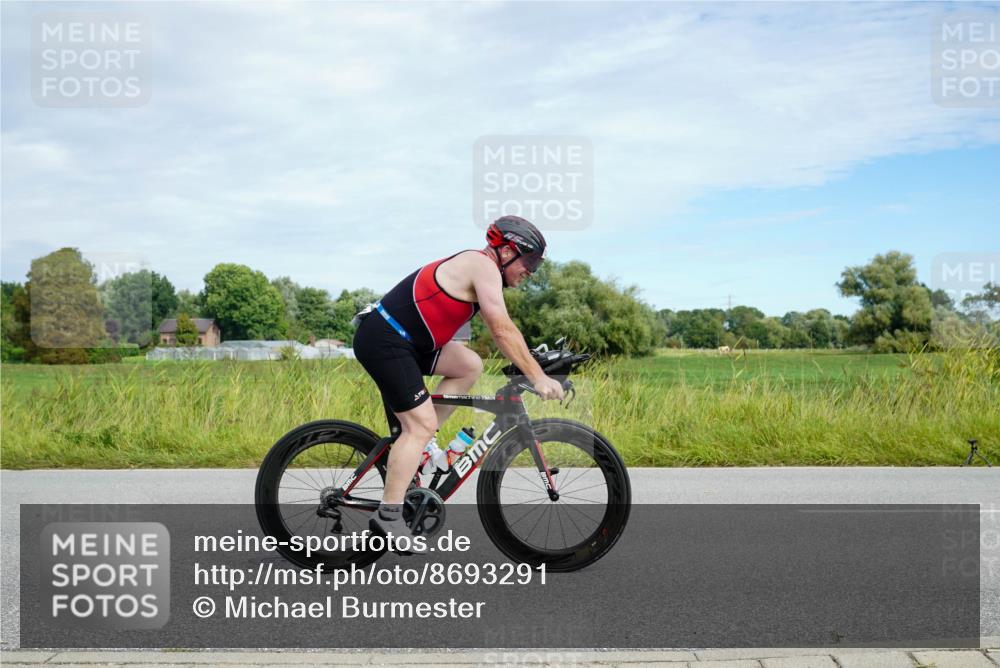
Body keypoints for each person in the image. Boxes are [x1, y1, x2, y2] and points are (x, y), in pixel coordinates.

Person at [352, 215, 565, 549]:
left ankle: (419, 445)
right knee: (418, 426)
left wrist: (535, 363)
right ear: (507, 251)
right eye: (530, 262)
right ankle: (389, 515)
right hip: (386, 339)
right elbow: (501, 328)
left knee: (469, 364)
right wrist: (537, 378)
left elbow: (502, 334)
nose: (531, 271)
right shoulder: (482, 267)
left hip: (409, 342)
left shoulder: (483, 271)